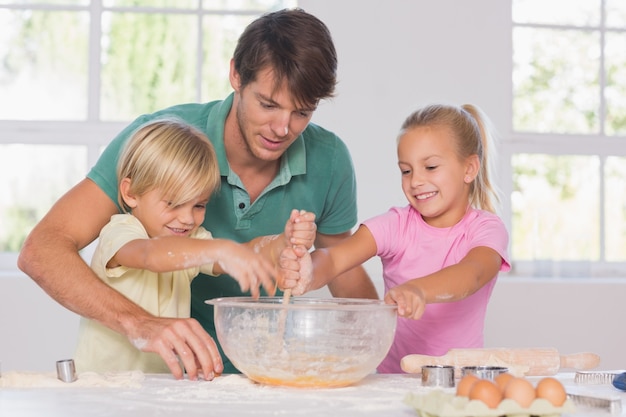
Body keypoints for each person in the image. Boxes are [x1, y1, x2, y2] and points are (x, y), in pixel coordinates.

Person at [18, 8, 378, 380]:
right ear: (236, 74)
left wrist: (383, 359)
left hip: (265, 378)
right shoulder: (162, 142)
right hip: (167, 377)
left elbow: (337, 265)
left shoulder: (330, 158)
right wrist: (141, 324)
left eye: (302, 113)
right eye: (268, 104)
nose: (282, 128)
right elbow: (42, 251)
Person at [279, 104, 511, 373]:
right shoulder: (396, 225)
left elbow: (472, 274)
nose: (416, 181)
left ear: (469, 169)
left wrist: (419, 290)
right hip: (394, 382)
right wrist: (305, 270)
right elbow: (335, 257)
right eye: (406, 170)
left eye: (431, 166)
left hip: (462, 381)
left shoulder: (486, 229)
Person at [74, 118, 315, 374]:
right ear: (131, 193)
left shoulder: (191, 240)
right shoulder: (120, 231)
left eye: (199, 205)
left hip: (156, 388)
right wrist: (218, 249)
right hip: (102, 387)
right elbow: (149, 255)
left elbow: (244, 253)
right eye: (174, 203)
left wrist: (281, 242)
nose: (188, 218)